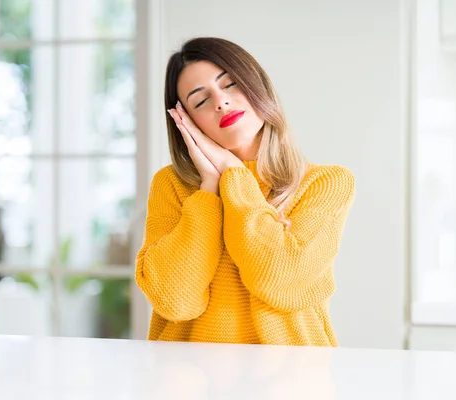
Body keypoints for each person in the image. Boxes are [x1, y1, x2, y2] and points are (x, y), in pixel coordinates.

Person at [135, 37, 355, 346]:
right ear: (186, 121)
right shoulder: (171, 184)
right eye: (200, 101)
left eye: (230, 84)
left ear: (257, 86)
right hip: (190, 381)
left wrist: (233, 173)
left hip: (293, 384)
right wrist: (209, 191)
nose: (220, 102)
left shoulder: (325, 183)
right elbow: (175, 300)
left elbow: (281, 282)